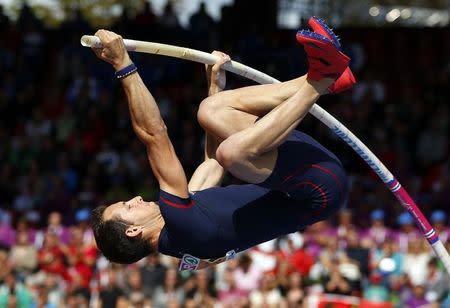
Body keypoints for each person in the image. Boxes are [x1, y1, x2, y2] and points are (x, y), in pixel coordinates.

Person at [91, 16, 355, 270]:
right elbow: (153, 134)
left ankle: (325, 80)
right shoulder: (182, 225)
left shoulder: (181, 230)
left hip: (303, 169)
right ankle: (321, 79)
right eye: (128, 207)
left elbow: (211, 163)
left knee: (210, 111)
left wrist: (214, 85)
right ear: (134, 230)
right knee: (232, 153)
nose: (136, 198)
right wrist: (123, 65)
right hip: (320, 189)